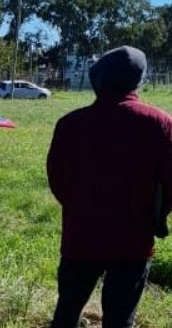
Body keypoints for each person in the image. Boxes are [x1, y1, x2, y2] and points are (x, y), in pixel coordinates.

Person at [47, 45, 172, 328]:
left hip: (80, 238)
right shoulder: (160, 124)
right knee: (120, 320)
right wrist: (155, 216)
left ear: (97, 79)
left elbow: (58, 180)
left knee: (66, 314)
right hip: (134, 241)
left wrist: (80, 207)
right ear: (138, 81)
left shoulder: (70, 125)